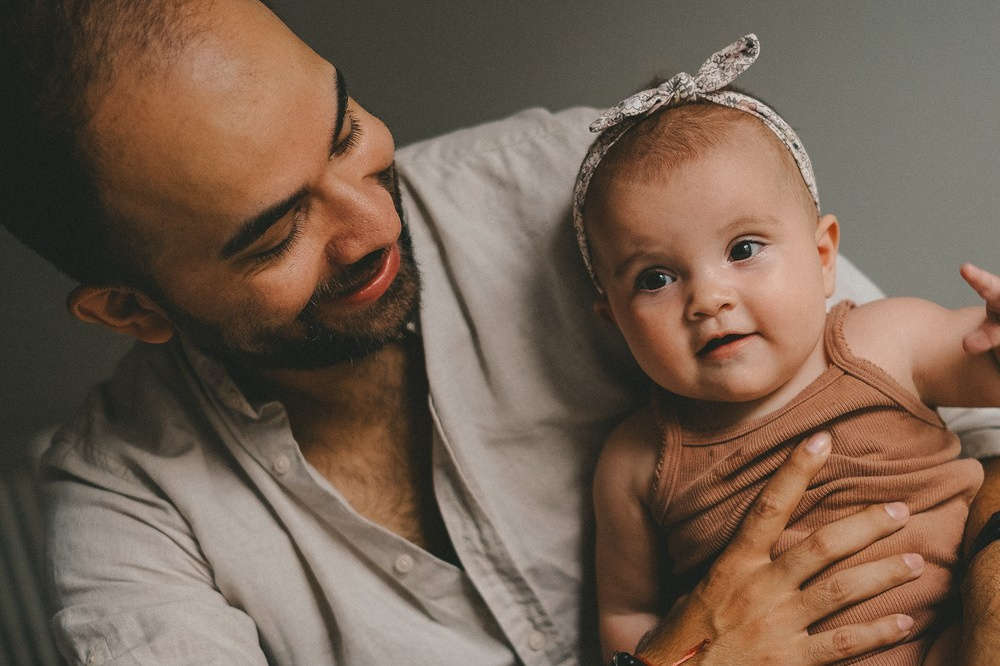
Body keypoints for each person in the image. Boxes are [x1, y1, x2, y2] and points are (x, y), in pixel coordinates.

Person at [2, 1, 999, 663]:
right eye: (275, 235)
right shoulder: (124, 526)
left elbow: (977, 438)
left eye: (345, 130)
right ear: (129, 309)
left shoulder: (600, 183)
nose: (369, 224)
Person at [574, 36, 1000, 664]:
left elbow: (987, 369)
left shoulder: (884, 340)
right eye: (655, 279)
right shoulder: (637, 461)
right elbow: (629, 613)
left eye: (743, 249)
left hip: (953, 638)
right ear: (614, 322)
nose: (708, 298)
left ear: (823, 257)